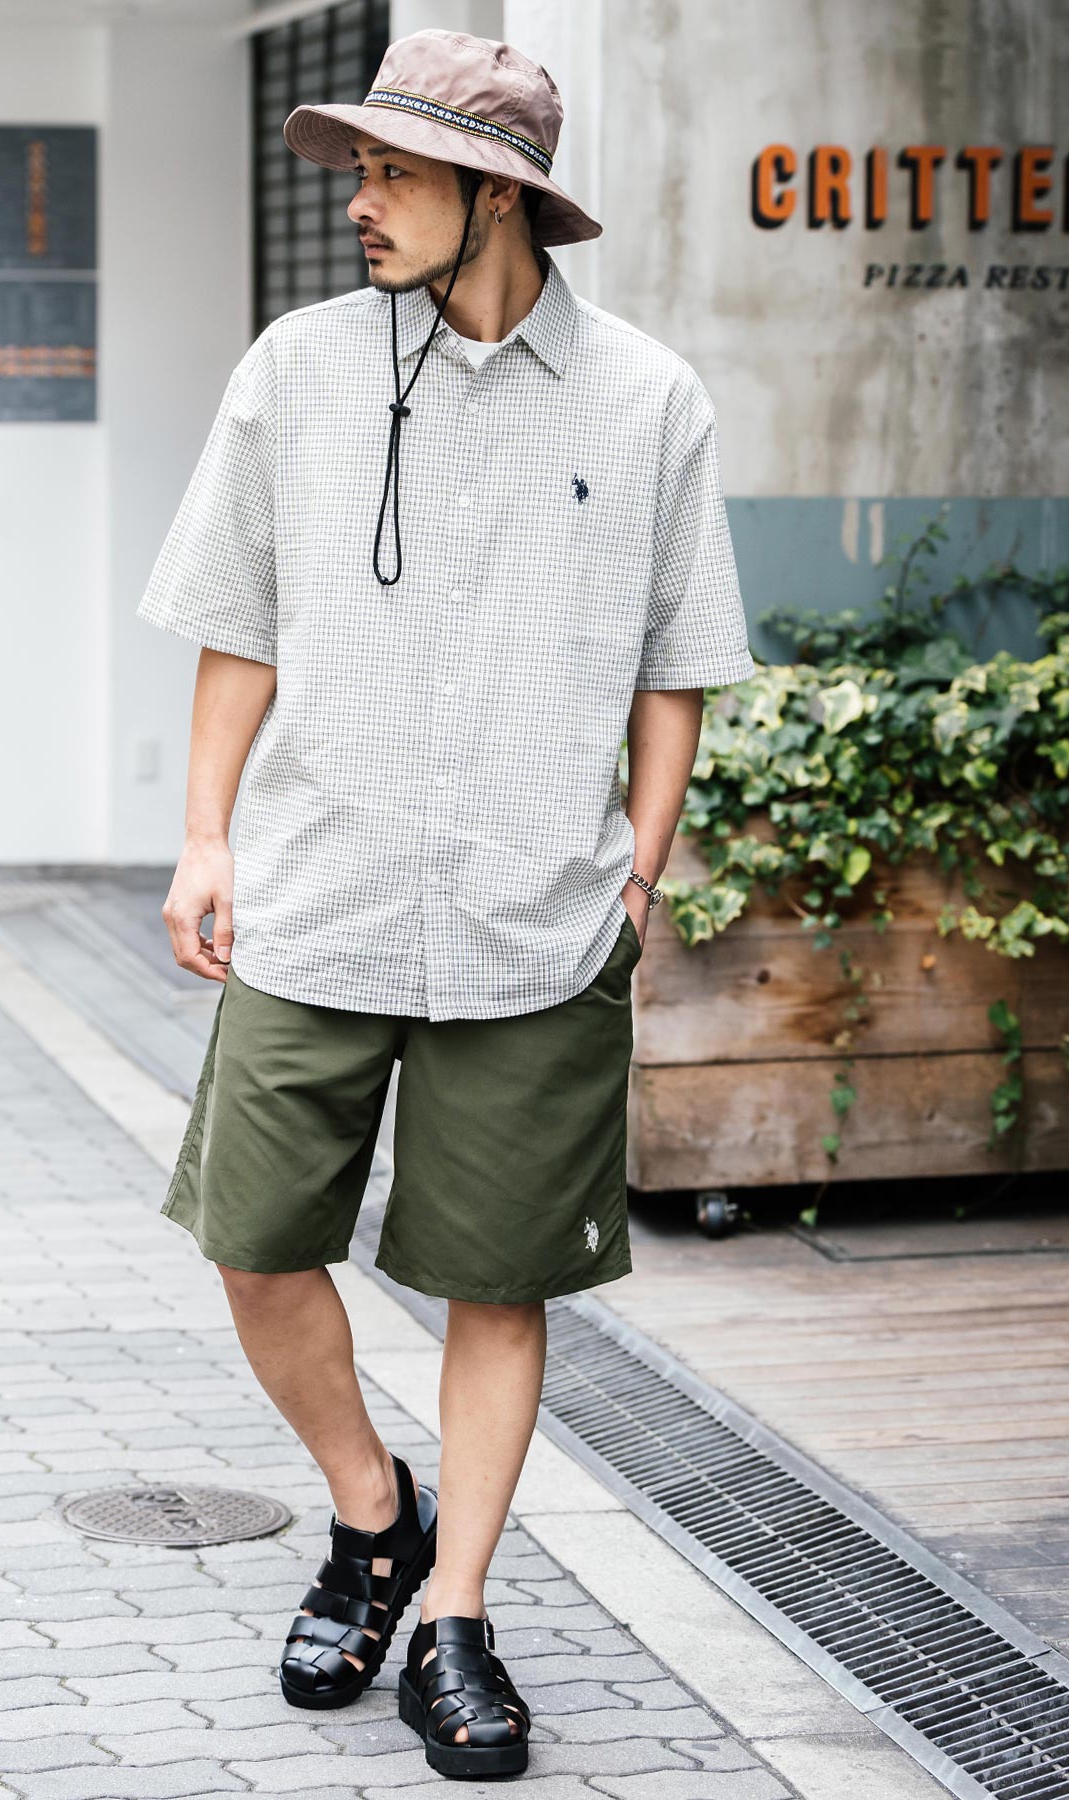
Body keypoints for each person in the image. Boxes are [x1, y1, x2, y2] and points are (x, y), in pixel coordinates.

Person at [136, 27, 755, 1781]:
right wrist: (205, 838)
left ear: (498, 195)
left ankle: (458, 1619)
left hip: (536, 923)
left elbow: (678, 668)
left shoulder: (647, 398)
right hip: (319, 896)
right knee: (256, 1242)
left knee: (497, 1283)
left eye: (393, 172)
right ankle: (372, 1515)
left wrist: (637, 873)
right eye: (360, 168)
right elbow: (238, 622)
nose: (361, 199)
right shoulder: (297, 369)